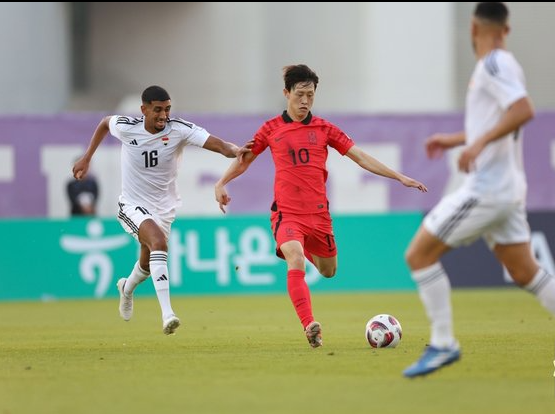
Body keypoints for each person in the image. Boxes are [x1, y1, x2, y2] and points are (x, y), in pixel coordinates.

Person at [214, 64, 427, 348]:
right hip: (287, 214)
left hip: (319, 216)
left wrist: (399, 176)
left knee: (328, 271)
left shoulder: (324, 129)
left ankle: (301, 254)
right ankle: (309, 325)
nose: (305, 101)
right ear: (286, 93)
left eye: (310, 95)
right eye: (300, 94)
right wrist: (221, 183)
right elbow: (245, 158)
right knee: (296, 257)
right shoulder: (270, 129)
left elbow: (360, 157)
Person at [403, 2, 555, 378]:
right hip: (508, 189)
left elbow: (523, 110)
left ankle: (443, 343)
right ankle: (442, 344)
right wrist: (456, 139)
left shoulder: (493, 65)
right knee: (527, 273)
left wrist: (475, 144)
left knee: (419, 255)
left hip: (488, 189)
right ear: (507, 28)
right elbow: (501, 118)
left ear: (473, 27)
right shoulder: (507, 64)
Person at [73, 85, 249, 335]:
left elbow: (219, 145)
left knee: (147, 262)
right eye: (157, 110)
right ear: (143, 109)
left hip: (164, 208)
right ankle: (168, 314)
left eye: (167, 109)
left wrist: (235, 150)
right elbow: (104, 123)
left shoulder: (179, 130)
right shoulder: (126, 127)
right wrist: (87, 157)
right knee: (158, 243)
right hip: (132, 204)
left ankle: (127, 288)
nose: (163, 116)